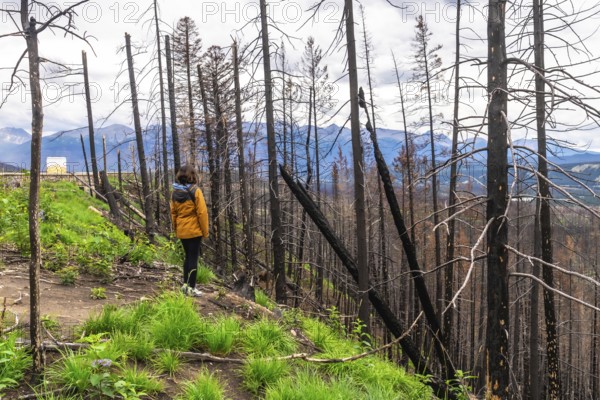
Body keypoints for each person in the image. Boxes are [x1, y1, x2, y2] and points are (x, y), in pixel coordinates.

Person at [170, 165, 209, 296]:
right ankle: (191, 288)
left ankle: (185, 285)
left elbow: (173, 213)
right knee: (193, 258)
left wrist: (177, 229)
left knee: (187, 258)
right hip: (194, 230)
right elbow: (202, 213)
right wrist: (205, 232)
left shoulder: (175, 192)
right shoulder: (195, 191)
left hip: (182, 230)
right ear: (192, 175)